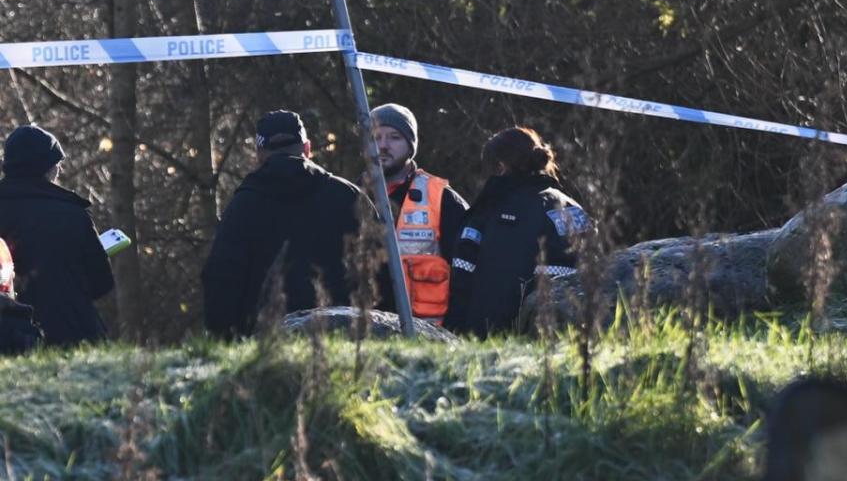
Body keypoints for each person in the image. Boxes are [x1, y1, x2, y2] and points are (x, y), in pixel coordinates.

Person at [202, 110, 377, 338]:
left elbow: (220, 277)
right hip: (345, 340)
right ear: (307, 148)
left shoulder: (242, 206)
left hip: (266, 344)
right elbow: (381, 267)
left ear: (259, 154)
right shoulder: (348, 196)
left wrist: (224, 339)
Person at [444, 127, 590, 337]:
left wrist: (453, 333)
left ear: (500, 167)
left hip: (483, 339)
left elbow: (461, 275)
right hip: (553, 341)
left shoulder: (487, 209)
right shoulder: (572, 209)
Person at [0, 124, 114, 347]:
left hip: (8, 336)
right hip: (73, 333)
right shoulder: (74, 215)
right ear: (49, 169)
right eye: (57, 165)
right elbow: (101, 283)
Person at [370, 103, 468, 322]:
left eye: (394, 137)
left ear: (411, 144)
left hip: (429, 337)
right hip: (363, 333)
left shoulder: (442, 198)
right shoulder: (350, 194)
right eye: (376, 137)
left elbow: (467, 273)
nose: (383, 146)